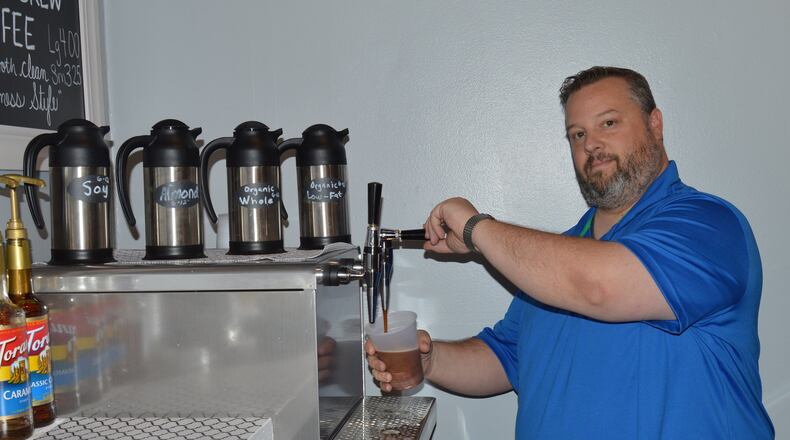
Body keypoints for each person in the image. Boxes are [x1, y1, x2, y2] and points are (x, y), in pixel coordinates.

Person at [365, 66, 775, 439]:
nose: (591, 144)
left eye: (608, 123)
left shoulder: (707, 225)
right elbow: (507, 357)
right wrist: (431, 360)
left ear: (655, 124)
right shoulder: (557, 258)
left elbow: (598, 286)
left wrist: (476, 228)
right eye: (577, 134)